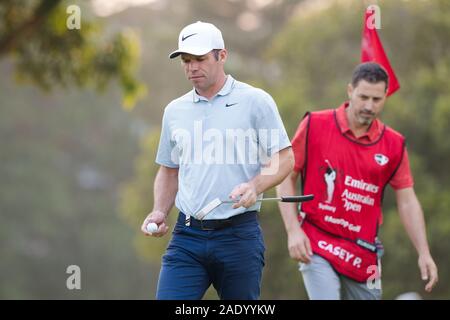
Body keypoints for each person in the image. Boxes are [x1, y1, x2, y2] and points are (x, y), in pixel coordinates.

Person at [141, 21, 294, 300]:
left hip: (238, 236)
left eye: (199, 59)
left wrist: (255, 186)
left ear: (222, 56)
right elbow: (169, 170)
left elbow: (283, 158)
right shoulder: (175, 111)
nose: (191, 67)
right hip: (187, 238)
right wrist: (159, 211)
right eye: (186, 61)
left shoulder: (256, 101)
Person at [276, 62, 438, 300]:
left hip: (364, 253)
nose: (369, 106)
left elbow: (407, 201)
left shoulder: (394, 144)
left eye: (376, 99)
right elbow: (284, 177)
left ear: (385, 97)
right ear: (350, 91)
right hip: (317, 242)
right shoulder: (315, 124)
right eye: (363, 97)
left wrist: (424, 252)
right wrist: (293, 230)